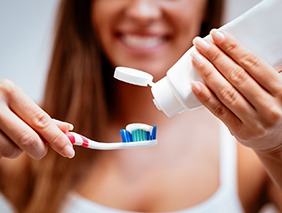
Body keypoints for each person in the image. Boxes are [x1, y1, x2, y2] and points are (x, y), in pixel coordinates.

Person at [0, 0, 281, 212]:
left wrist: (276, 148)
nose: (143, 12)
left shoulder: (253, 155)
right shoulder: (23, 140)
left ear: (206, 5)